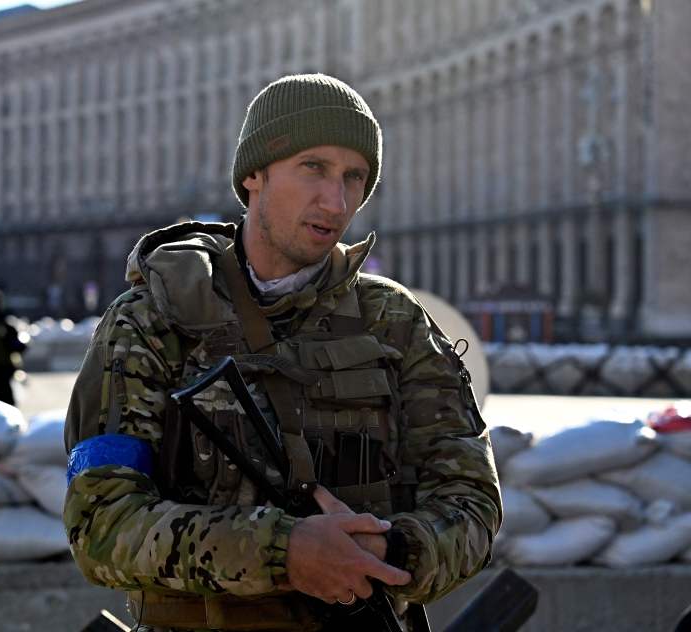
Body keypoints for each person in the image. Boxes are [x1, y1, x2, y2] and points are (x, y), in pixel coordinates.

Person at [64, 73, 501, 631]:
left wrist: (391, 554)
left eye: (355, 177)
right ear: (253, 174)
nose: (336, 201)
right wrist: (283, 553)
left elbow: (472, 502)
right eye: (313, 168)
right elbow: (100, 525)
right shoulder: (152, 320)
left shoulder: (393, 321)